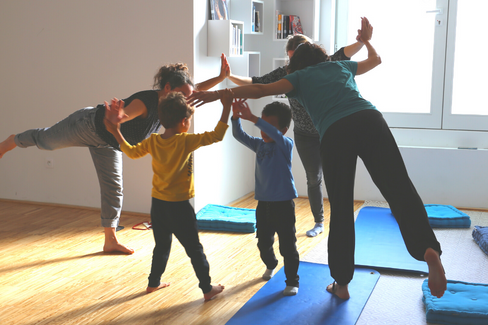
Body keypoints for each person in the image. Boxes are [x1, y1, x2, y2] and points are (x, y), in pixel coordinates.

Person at [188, 17, 447, 300]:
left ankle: (342, 284)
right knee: (399, 188)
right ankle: (428, 250)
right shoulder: (340, 65)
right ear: (323, 56)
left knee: (341, 206)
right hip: (370, 119)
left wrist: (218, 95)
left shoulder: (298, 77)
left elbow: (261, 89)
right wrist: (367, 40)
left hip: (336, 132)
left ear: (297, 64)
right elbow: (376, 60)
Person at [0, 56, 231, 255]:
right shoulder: (146, 101)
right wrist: (119, 118)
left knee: (113, 188)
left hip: (109, 143)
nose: (187, 99)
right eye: (182, 93)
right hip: (87, 125)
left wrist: (220, 78)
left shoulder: (172, 102)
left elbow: (197, 90)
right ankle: (14, 140)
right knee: (47, 143)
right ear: (167, 88)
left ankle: (110, 240)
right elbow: (126, 114)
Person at [226, 28, 372, 238]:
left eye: (297, 58)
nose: (294, 64)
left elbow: (346, 54)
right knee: (313, 178)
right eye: (291, 59)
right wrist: (228, 76)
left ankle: (340, 222)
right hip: (305, 134)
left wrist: (362, 41)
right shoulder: (287, 72)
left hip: (328, 129)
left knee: (335, 177)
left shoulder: (326, 63)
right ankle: (319, 221)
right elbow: (257, 83)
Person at [103, 88, 233, 300]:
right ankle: (207, 289)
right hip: (180, 206)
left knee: (162, 246)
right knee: (194, 249)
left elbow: (132, 152)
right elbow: (217, 135)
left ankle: (153, 284)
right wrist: (226, 106)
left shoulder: (153, 141)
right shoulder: (185, 141)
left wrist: (116, 131)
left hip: (158, 205)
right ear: (184, 121)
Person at [231, 99, 300, 296]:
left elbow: (275, 135)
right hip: (264, 204)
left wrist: (252, 118)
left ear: (284, 129)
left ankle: (292, 281)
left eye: (268, 126)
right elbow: (239, 134)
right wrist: (236, 117)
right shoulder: (259, 145)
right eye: (262, 123)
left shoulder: (285, 144)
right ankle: (271, 264)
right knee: (263, 242)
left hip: (284, 205)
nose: (262, 130)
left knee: (288, 245)